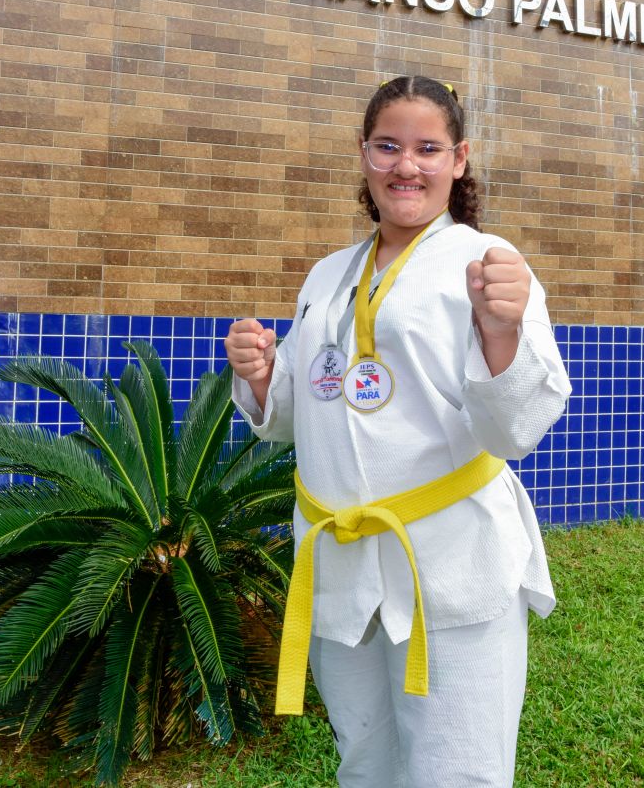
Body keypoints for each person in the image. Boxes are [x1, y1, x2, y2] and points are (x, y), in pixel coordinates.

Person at [224, 75, 571, 788]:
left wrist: (501, 332)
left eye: (427, 148)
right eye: (387, 146)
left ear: (459, 159)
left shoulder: (490, 267)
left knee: (457, 771)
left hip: (451, 562)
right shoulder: (328, 277)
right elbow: (299, 415)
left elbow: (515, 429)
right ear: (364, 153)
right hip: (341, 567)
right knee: (364, 761)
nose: (405, 165)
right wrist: (261, 378)